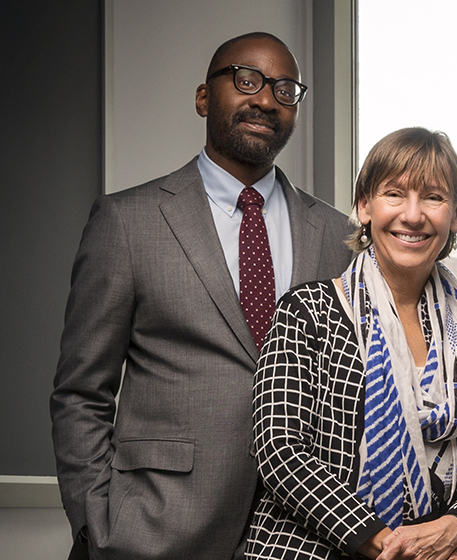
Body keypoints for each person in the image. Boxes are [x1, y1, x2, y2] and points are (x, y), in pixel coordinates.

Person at [50, 32, 354, 559]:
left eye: (284, 89)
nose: (265, 99)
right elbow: (81, 392)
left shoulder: (336, 235)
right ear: (203, 97)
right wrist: (97, 524)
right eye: (246, 80)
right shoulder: (127, 221)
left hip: (298, 538)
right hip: (154, 532)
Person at [246, 127, 457, 560]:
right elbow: (280, 451)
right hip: (309, 550)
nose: (413, 215)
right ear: (364, 206)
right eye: (394, 194)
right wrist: (395, 548)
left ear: (456, 216)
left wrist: (452, 529)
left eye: (434, 197)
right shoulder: (307, 311)